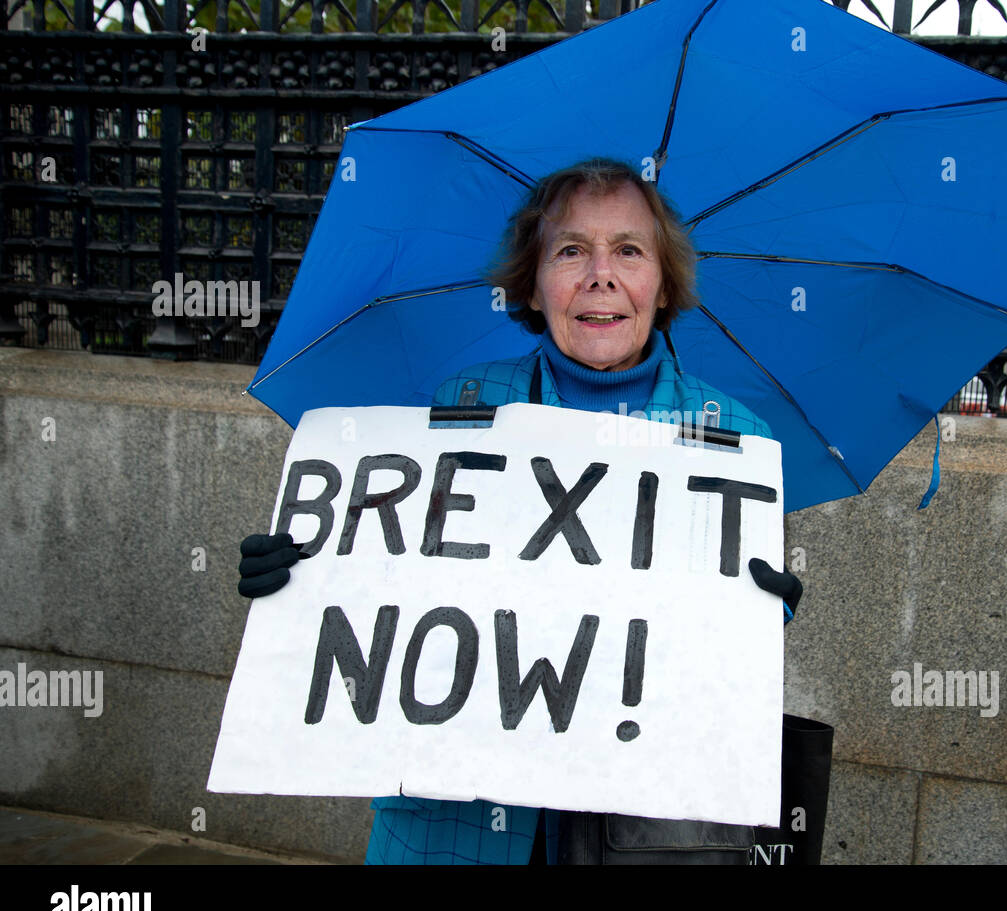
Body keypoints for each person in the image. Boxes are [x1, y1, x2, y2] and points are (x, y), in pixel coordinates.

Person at [239, 157, 803, 864]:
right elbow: (389, 584)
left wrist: (768, 608)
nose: (601, 275)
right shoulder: (460, 407)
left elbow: (723, 657)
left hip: (641, 828)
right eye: (571, 250)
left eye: (629, 250)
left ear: (663, 285)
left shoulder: (737, 439)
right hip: (456, 827)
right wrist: (303, 579)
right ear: (532, 285)